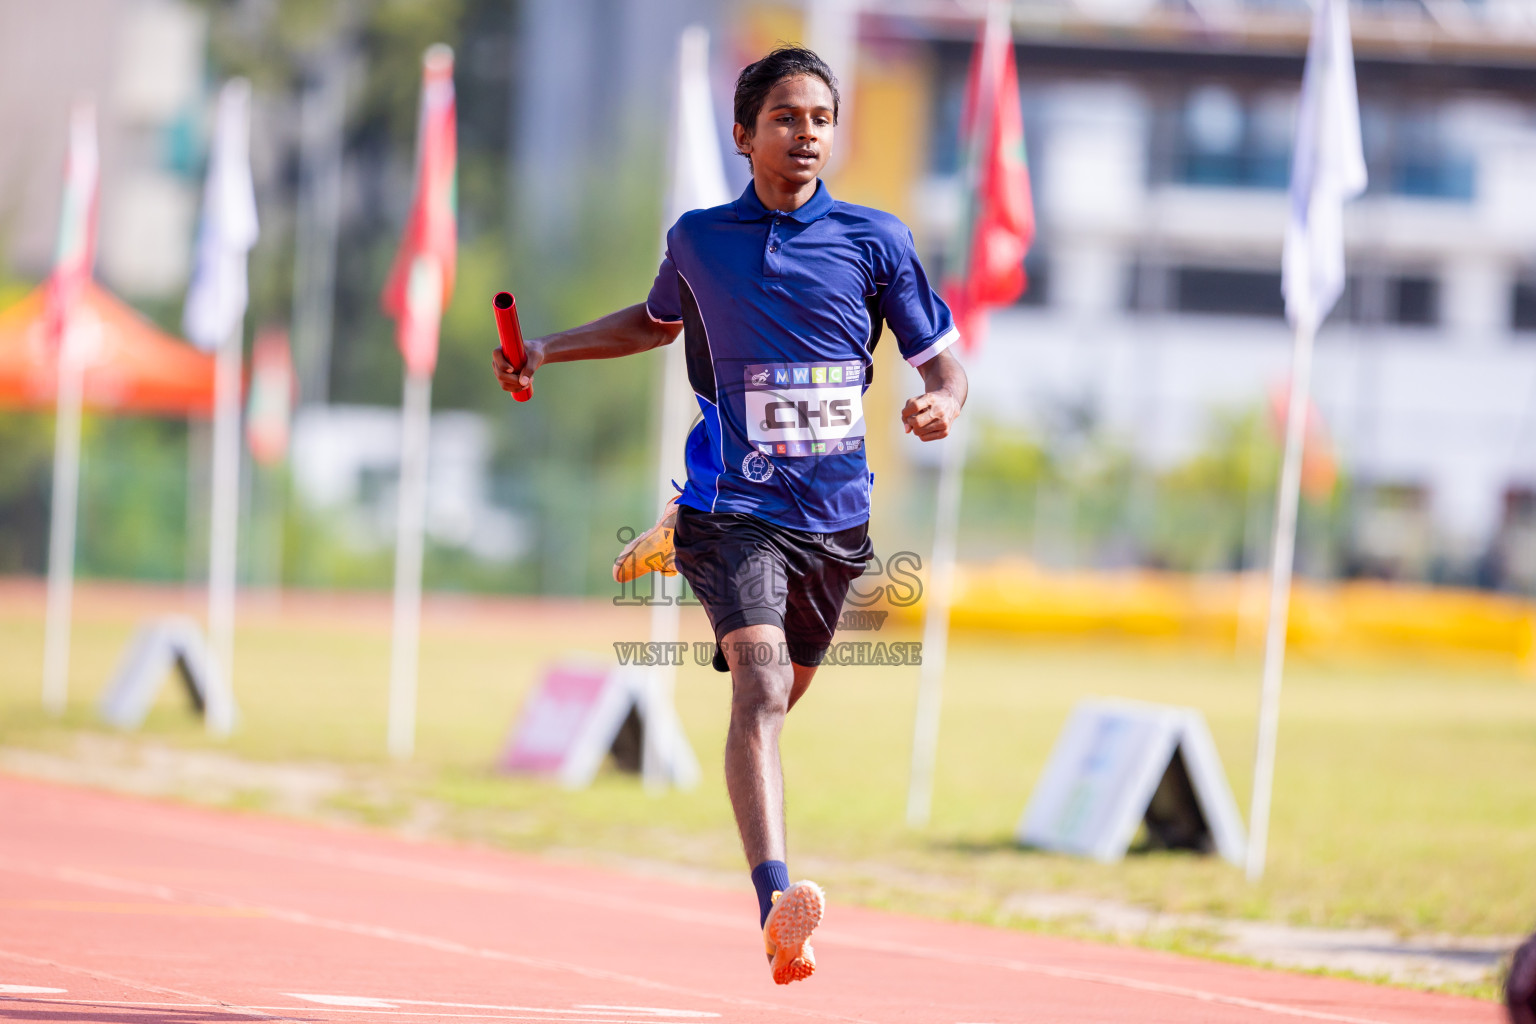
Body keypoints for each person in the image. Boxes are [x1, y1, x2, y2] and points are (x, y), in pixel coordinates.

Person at [491, 46, 967, 985]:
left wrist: (945, 402)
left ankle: (673, 535)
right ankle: (776, 909)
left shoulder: (878, 240)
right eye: (786, 118)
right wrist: (544, 346)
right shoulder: (700, 239)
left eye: (821, 119)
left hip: (836, 523)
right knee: (756, 691)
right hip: (735, 509)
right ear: (744, 134)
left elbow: (941, 359)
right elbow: (656, 322)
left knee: (778, 706)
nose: (806, 135)